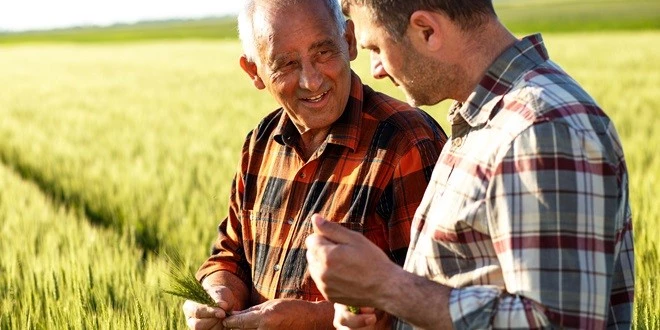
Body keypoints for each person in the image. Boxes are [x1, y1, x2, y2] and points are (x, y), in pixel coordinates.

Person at [305, 0, 635, 329]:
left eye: (376, 47)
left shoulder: (539, 130)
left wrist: (388, 287)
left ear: (427, 30)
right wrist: (381, 312)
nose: (375, 68)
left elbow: (556, 323)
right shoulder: (488, 119)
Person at [182, 0, 448, 328]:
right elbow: (231, 253)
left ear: (349, 41)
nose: (311, 81)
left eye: (323, 52)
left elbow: (434, 301)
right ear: (254, 72)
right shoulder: (259, 144)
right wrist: (217, 292)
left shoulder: (406, 142)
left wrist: (313, 320)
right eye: (287, 64)